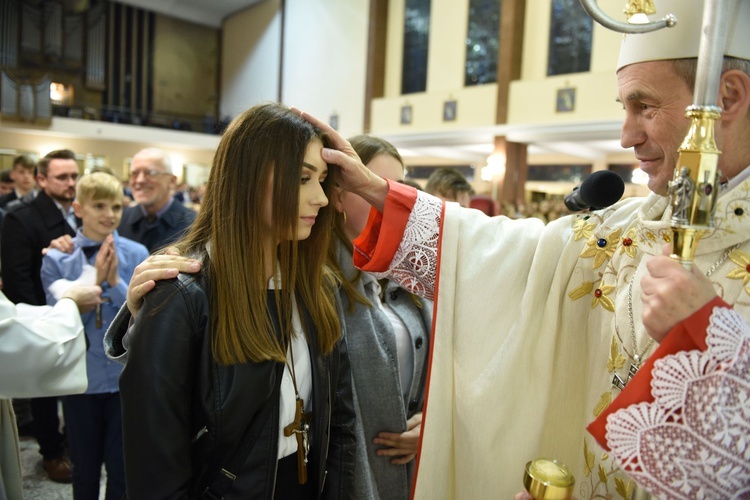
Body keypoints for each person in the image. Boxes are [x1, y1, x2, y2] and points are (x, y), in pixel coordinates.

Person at [293, 1, 750, 497]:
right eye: (625, 109)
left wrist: (715, 338)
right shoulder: (629, 230)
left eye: (645, 106)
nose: (626, 135)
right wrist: (382, 194)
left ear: (725, 97)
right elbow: (506, 255)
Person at [108, 103, 356, 498]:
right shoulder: (182, 294)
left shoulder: (315, 287)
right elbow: (155, 467)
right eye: (304, 178)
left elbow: (340, 423)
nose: (321, 198)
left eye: (322, 180)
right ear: (249, 178)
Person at [330, 135, 432, 500]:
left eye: (398, 187)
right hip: (349, 475)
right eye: (372, 185)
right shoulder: (313, 281)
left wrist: (433, 423)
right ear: (338, 194)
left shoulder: (410, 277)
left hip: (409, 474)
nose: (387, 199)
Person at [40, 172, 149, 500]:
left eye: (116, 206)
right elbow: (58, 321)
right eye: (99, 205)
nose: (109, 214)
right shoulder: (58, 258)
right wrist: (93, 280)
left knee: (121, 468)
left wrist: (115, 282)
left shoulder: (137, 252)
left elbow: (144, 316)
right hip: (79, 381)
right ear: (78, 208)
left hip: (123, 380)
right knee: (84, 467)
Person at [1, 149, 80, 483]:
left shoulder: (77, 211)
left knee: (74, 391)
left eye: (74, 176)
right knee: (46, 393)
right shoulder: (22, 217)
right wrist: (45, 319)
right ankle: (51, 452)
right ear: (41, 179)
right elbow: (18, 278)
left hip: (76, 311)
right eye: (62, 177)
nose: (71, 183)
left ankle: (72, 444)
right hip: (43, 314)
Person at [117, 147, 196, 252]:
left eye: (151, 173)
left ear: (172, 181)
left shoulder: (193, 225)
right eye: (134, 173)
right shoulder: (120, 219)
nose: (140, 180)